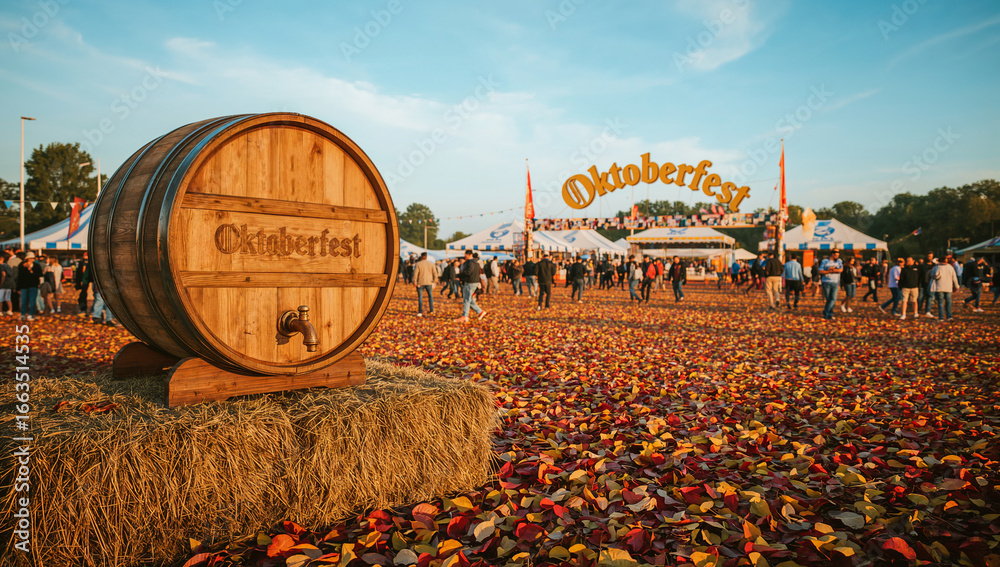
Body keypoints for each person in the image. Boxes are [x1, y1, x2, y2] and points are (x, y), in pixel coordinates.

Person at [455, 250, 485, 322]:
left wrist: (459, 275)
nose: (465, 257)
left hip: (469, 282)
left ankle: (465, 315)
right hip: (474, 282)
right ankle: (480, 312)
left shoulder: (470, 262)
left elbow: (468, 272)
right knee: (469, 299)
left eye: (465, 255)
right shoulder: (476, 263)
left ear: (468, 255)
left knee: (466, 299)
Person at [929, 256, 959, 322]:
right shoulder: (950, 267)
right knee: (948, 302)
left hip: (939, 287)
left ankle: (941, 317)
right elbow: (954, 277)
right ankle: (949, 316)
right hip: (948, 287)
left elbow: (932, 275)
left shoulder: (936, 267)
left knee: (940, 303)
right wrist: (957, 286)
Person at [16, 252, 43, 322]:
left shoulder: (36, 266)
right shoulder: (22, 266)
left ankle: (31, 314)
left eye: (32, 258)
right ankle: (23, 314)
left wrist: (31, 270)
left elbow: (39, 275)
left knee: (32, 301)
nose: (31, 260)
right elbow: (20, 277)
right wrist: (18, 288)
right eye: (30, 258)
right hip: (24, 286)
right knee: (23, 301)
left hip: (33, 285)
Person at [817, 250, 843, 319]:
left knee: (833, 298)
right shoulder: (825, 261)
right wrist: (829, 271)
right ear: (832, 254)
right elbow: (820, 271)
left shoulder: (839, 261)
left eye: (838, 255)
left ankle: (826, 311)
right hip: (826, 281)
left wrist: (833, 270)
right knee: (829, 299)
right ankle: (829, 314)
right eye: (836, 255)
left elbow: (841, 270)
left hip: (835, 281)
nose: (837, 256)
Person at [413, 252, 436, 317]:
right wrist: (434, 281)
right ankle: (431, 310)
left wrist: (414, 282)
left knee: (420, 297)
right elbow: (435, 273)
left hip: (420, 282)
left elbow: (415, 274)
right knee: (430, 296)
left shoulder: (418, 264)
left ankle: (420, 311)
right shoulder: (431, 264)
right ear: (426, 257)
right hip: (429, 282)